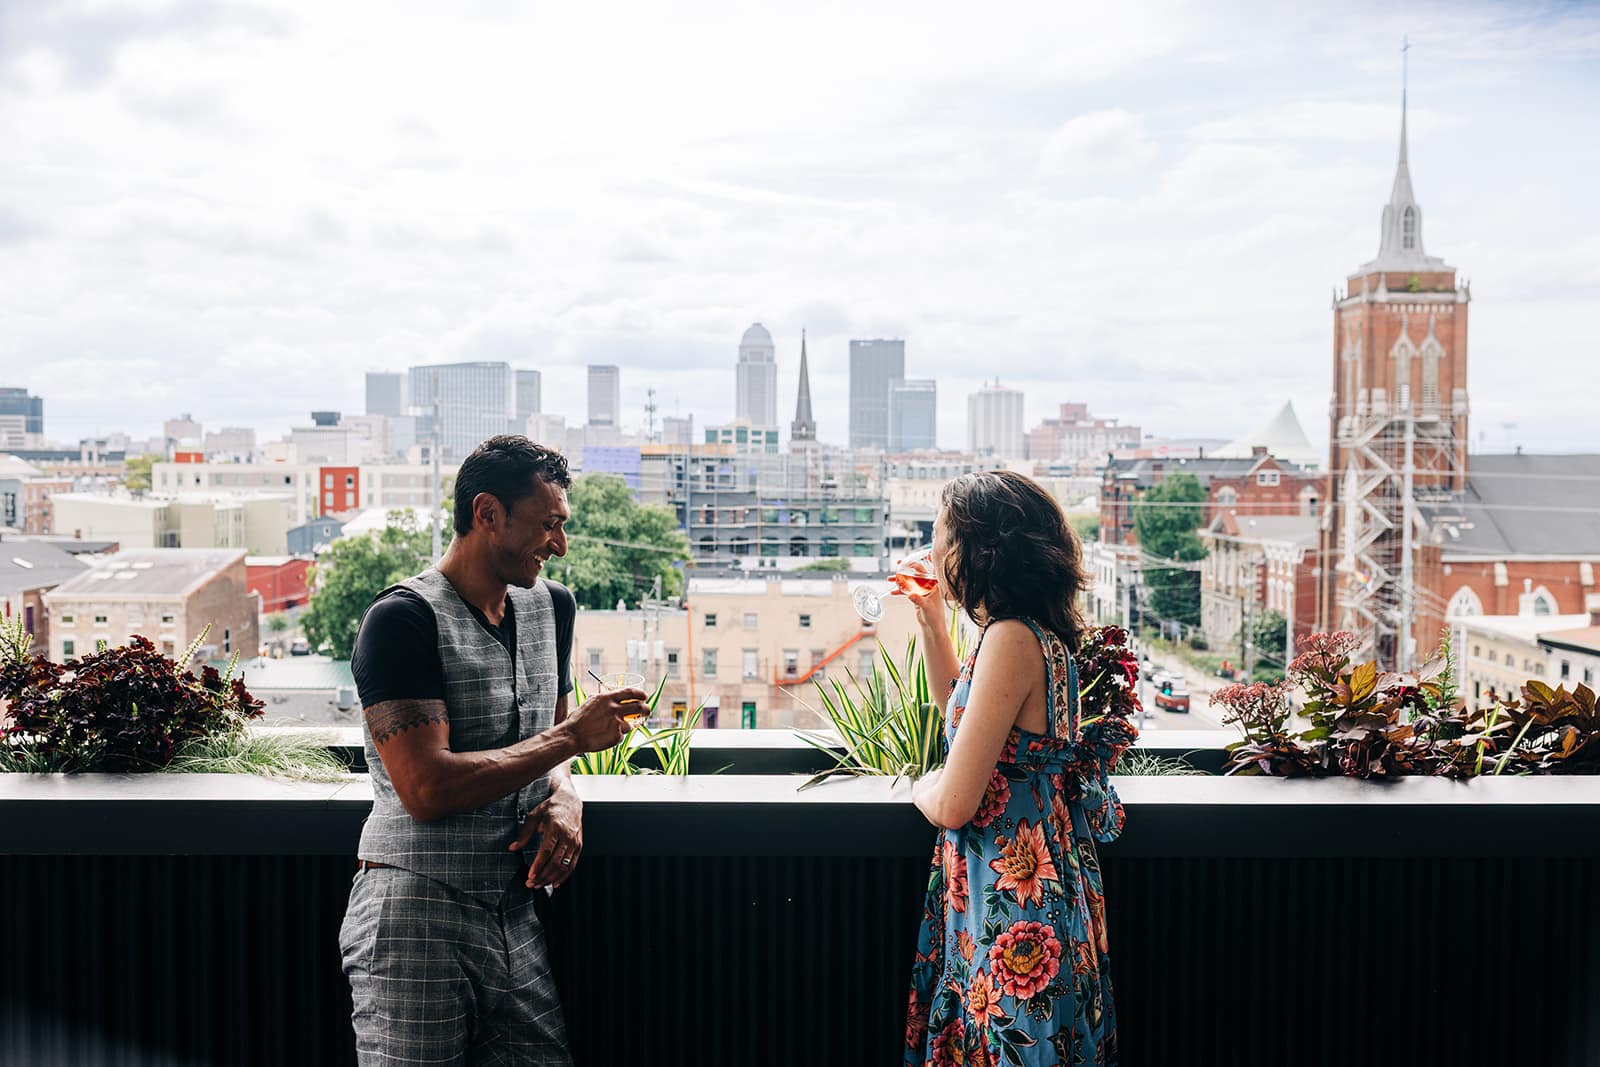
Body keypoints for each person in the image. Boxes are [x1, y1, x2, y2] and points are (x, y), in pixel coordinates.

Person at [339, 435, 644, 1066]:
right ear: (487, 514)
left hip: (516, 912)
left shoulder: (553, 607)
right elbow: (425, 789)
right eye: (548, 525)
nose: (558, 545)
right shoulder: (401, 620)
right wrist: (570, 740)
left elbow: (550, 746)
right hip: (413, 917)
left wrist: (567, 798)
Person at [903, 470, 1134, 1067]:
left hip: (1013, 896)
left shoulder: (1009, 639)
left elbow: (955, 801)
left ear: (980, 552)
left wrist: (918, 786)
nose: (934, 552)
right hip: (1032, 884)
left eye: (942, 539)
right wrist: (932, 620)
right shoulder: (1034, 636)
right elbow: (961, 706)